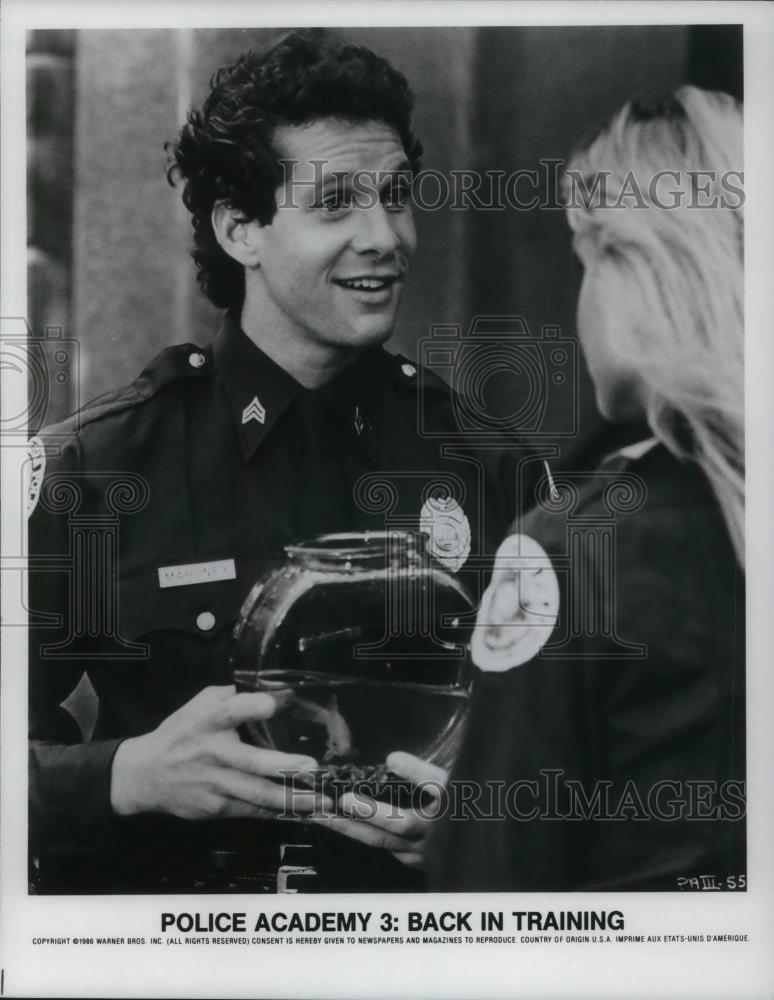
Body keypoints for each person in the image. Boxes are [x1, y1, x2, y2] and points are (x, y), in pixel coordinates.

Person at [27, 30, 526, 893]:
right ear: (240, 229)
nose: (384, 237)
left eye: (396, 196)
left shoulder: (490, 469)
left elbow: (582, 764)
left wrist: (482, 821)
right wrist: (127, 774)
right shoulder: (96, 471)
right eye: (336, 202)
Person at [428, 86, 746, 891]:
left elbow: (487, 905)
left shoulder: (568, 551)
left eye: (585, 259)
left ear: (638, 266)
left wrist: (462, 832)